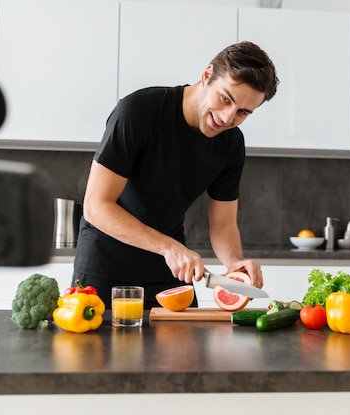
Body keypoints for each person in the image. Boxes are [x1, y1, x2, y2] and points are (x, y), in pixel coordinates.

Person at [72, 41, 279, 309]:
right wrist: (169, 248)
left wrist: (234, 263)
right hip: (105, 268)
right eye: (225, 98)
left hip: (170, 271)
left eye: (243, 112)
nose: (228, 118)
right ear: (207, 76)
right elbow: (96, 206)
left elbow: (223, 225)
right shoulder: (138, 112)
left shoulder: (231, 145)